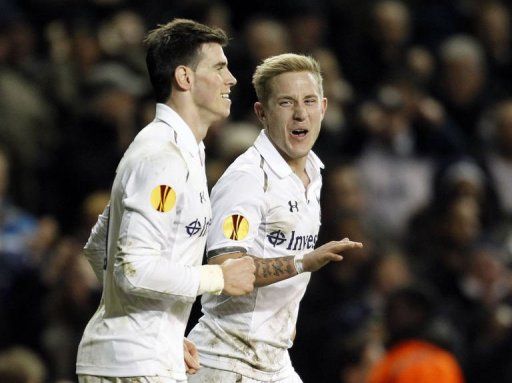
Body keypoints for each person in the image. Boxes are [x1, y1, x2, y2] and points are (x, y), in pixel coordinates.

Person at [76, 18, 256, 383]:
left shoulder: (181, 149)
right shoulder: (163, 156)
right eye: (219, 67)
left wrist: (164, 332)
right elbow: (134, 269)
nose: (232, 79)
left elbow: (99, 248)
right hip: (134, 366)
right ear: (184, 78)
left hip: (142, 358)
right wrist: (217, 276)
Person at [187, 53, 363, 382]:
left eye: (309, 101)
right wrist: (302, 263)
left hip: (273, 359)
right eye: (286, 103)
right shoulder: (247, 179)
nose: (300, 113)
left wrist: (283, 318)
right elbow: (227, 269)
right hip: (226, 358)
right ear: (262, 113)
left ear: (323, 108)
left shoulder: (314, 173)